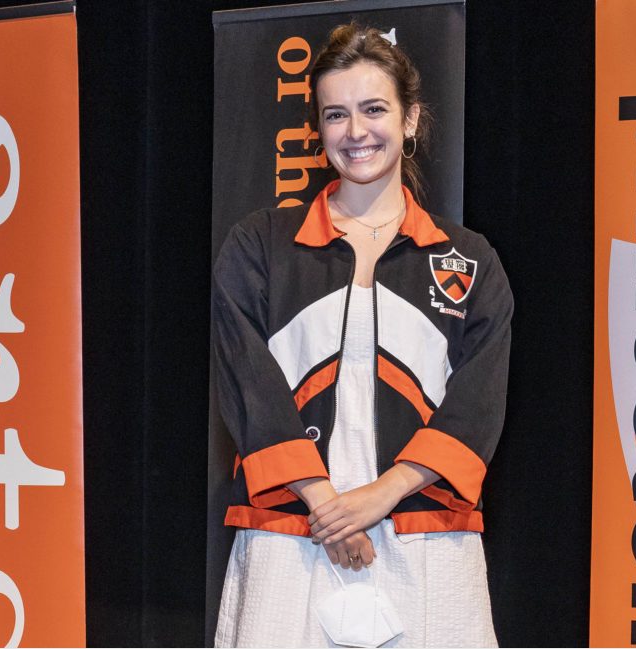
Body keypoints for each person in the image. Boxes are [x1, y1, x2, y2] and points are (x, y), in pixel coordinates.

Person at [212, 23, 512, 648]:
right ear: (317, 131)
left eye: (374, 109)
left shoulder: (469, 258)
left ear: (409, 120)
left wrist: (378, 497)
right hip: (289, 532)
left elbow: (478, 404)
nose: (356, 132)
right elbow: (248, 384)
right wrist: (329, 505)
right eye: (336, 114)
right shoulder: (260, 245)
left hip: (423, 533)